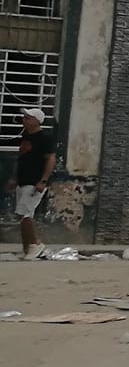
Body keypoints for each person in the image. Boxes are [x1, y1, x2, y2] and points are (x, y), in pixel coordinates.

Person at [7, 106, 54, 259]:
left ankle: (35, 245)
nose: (24, 120)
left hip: (34, 182)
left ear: (36, 121)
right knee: (23, 215)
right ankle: (27, 248)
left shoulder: (44, 138)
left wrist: (43, 180)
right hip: (22, 180)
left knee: (24, 213)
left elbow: (50, 159)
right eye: (24, 117)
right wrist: (14, 178)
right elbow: (20, 158)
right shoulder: (26, 137)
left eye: (28, 118)